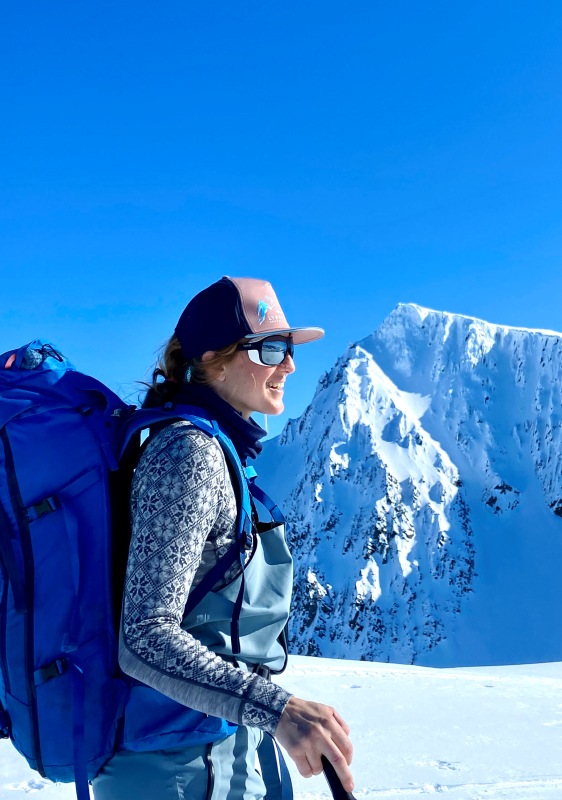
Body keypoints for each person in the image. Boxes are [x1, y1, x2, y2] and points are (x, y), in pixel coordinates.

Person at [92, 276, 354, 800]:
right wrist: (278, 710)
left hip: (224, 755)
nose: (289, 365)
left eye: (290, 348)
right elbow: (144, 637)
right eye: (271, 349)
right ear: (213, 359)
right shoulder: (188, 454)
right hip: (174, 769)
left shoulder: (224, 453)